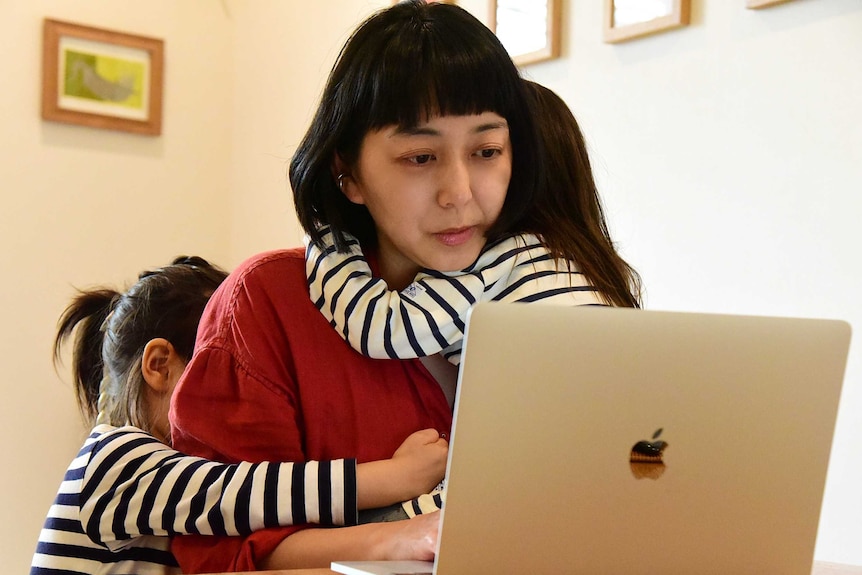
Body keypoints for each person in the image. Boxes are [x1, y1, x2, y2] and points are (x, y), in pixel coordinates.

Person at [169, 1, 640, 572]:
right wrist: (397, 541)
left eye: (487, 151)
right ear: (348, 173)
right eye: (421, 157)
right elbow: (218, 552)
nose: (459, 191)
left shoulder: (539, 287)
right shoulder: (267, 304)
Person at [305, 79, 642, 518]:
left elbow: (381, 328)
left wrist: (328, 234)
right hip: (605, 474)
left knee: (358, 529)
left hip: (512, 484)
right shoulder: (595, 267)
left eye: (485, 153)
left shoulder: (505, 255)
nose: (461, 188)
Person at [30, 256, 447, 575]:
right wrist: (395, 477)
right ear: (159, 365)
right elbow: (244, 493)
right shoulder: (113, 459)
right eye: (218, 376)